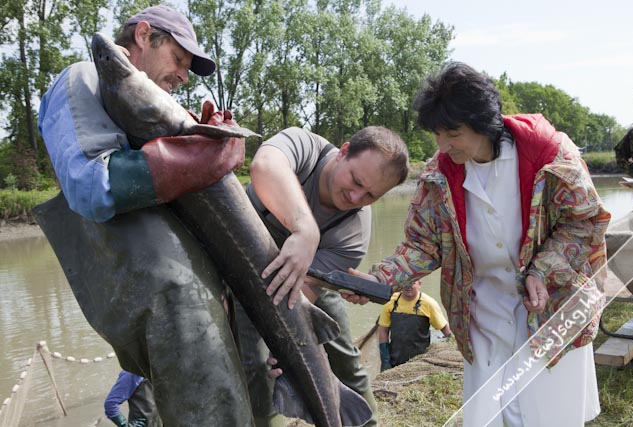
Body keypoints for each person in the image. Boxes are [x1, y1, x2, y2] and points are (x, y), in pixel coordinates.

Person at [350, 62, 610, 426]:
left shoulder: (551, 155)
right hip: (483, 314)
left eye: (453, 133)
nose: (443, 145)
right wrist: (379, 280)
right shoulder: (440, 174)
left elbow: (584, 221)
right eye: (437, 134)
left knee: (547, 412)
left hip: (549, 306)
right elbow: (422, 244)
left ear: (483, 122)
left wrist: (543, 270)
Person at [36, 5, 253, 426]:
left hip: (191, 295)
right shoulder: (85, 75)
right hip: (162, 297)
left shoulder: (147, 107)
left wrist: (194, 138)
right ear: (142, 36)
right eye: (178, 59)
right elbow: (90, 185)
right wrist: (189, 161)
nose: (183, 76)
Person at [236, 126, 409, 427]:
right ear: (343, 152)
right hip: (237, 255)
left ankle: (365, 422)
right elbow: (264, 164)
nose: (356, 196)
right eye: (356, 181)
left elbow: (295, 297)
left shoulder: (354, 235)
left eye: (371, 195)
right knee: (257, 365)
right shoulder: (305, 146)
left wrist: (286, 342)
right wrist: (306, 230)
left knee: (344, 358)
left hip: (299, 285)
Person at [377, 280, 452, 371]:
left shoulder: (429, 303)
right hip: (395, 358)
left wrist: (453, 345)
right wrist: (385, 361)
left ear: (420, 284)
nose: (407, 286)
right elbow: (383, 330)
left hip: (420, 360)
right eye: (405, 282)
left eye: (412, 283)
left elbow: (444, 328)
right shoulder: (391, 301)